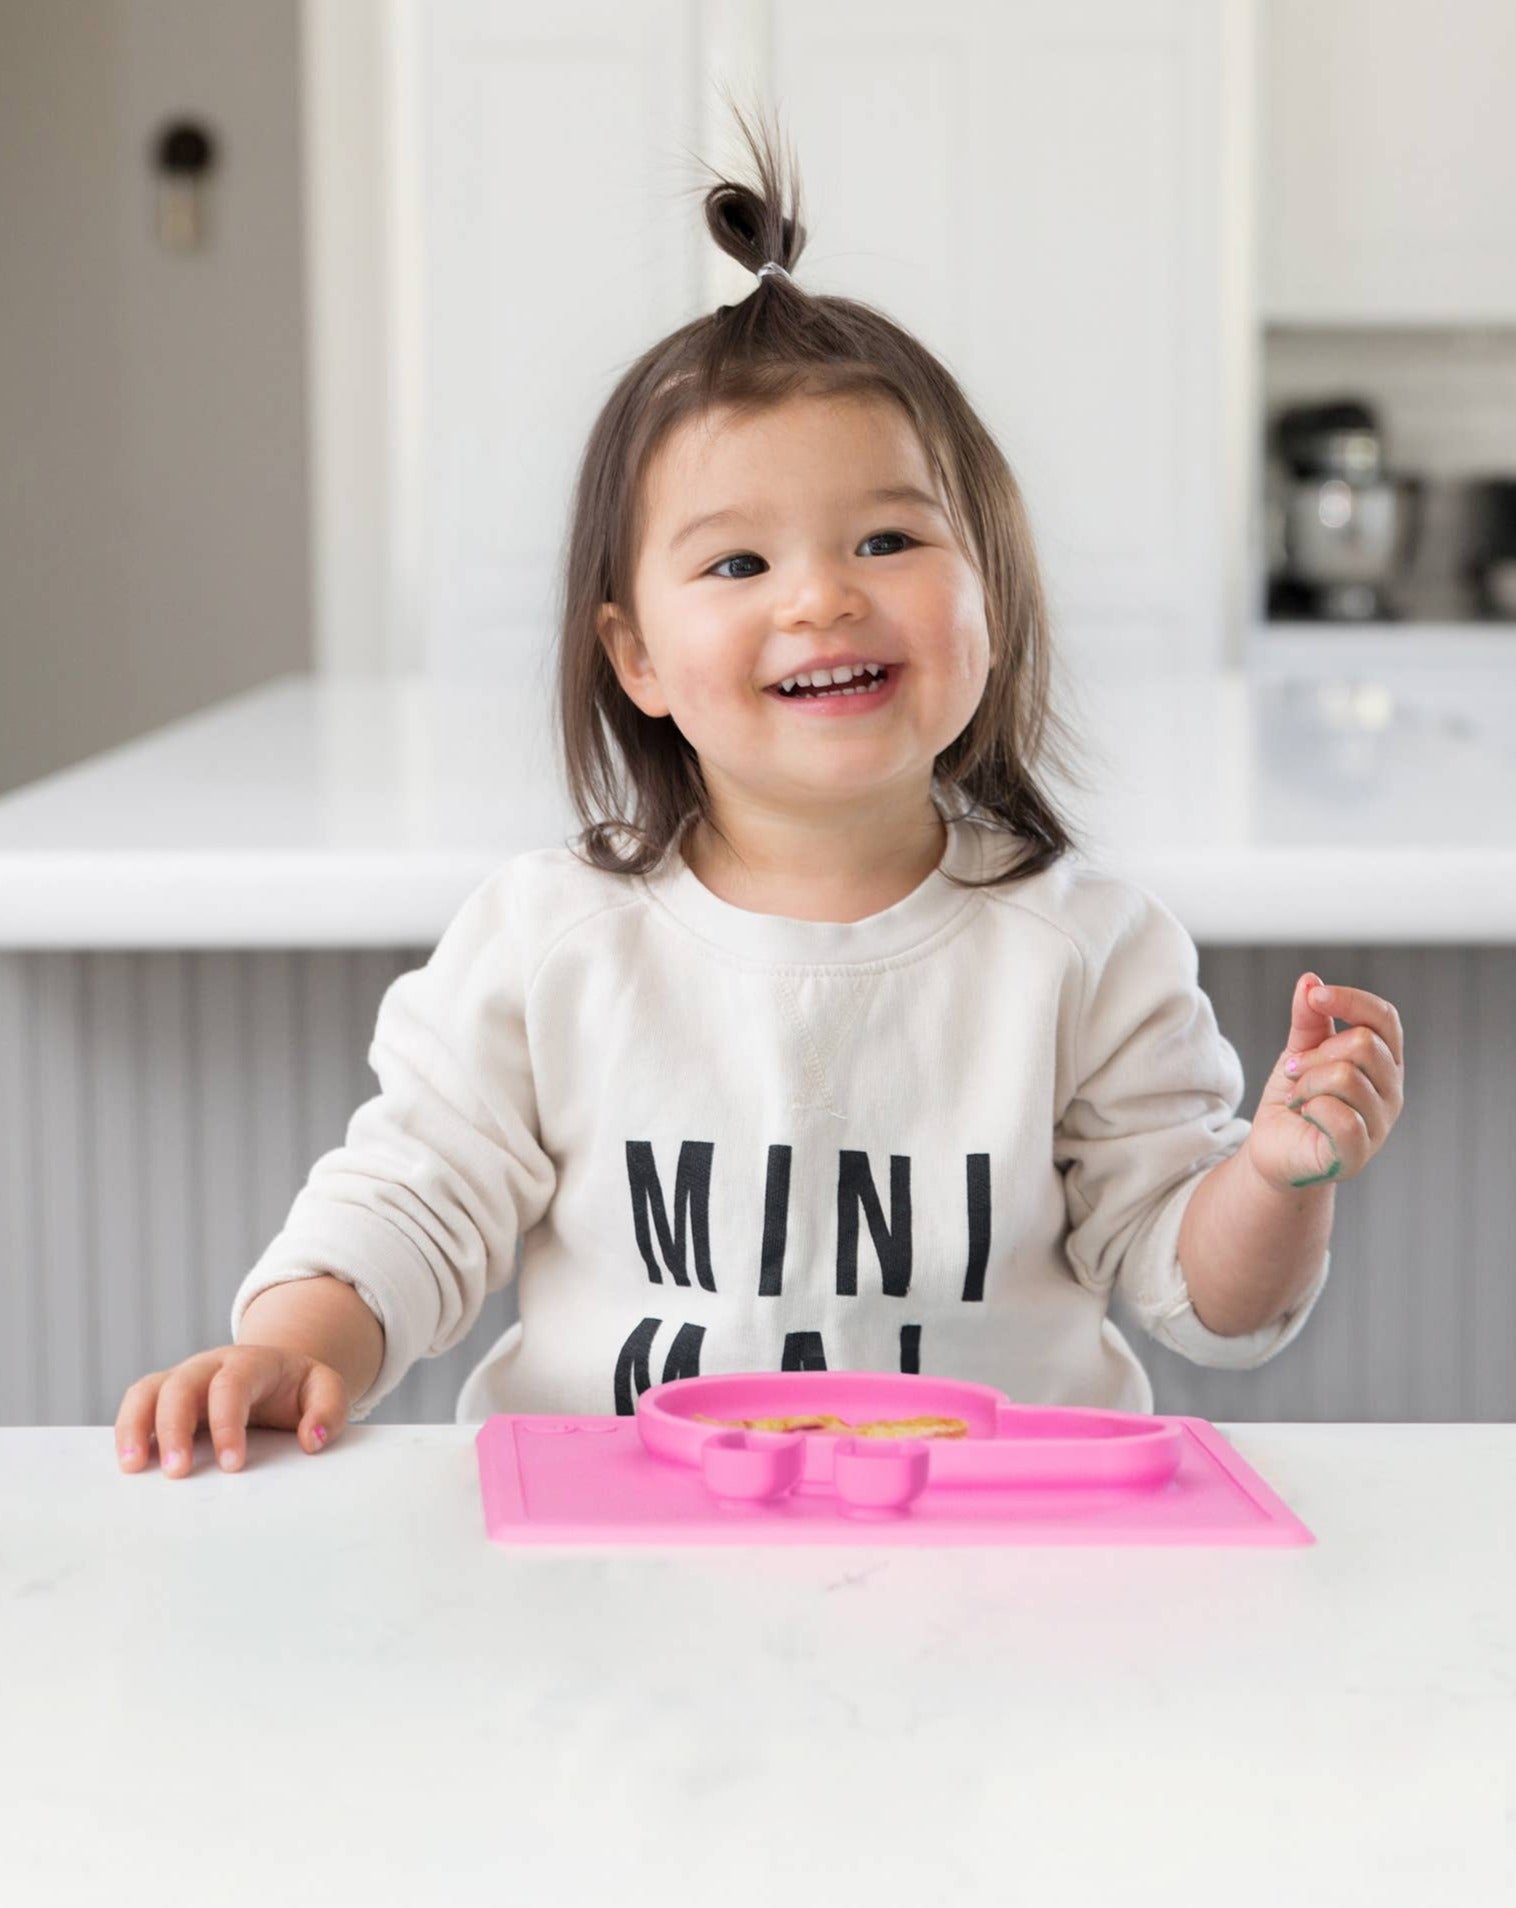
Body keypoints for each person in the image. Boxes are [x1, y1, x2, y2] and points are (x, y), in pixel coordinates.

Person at [115, 107, 1405, 1478]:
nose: (824, 596)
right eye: (737, 565)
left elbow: (1211, 1300)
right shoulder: (550, 940)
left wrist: (1272, 1179)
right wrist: (298, 1344)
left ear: (994, 592)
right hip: (613, 1571)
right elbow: (413, 1206)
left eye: (888, 537)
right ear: (636, 657)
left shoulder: (1090, 950)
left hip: (1000, 1577)